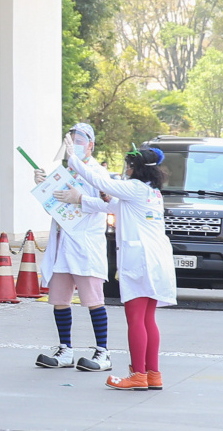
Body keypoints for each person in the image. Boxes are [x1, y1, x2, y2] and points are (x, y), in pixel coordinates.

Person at [55, 140, 177, 391]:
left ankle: (138, 375)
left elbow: (101, 183)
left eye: (128, 165)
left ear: (136, 168)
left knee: (135, 319)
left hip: (140, 261)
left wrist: (73, 160)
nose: (126, 169)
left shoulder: (133, 188)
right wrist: (81, 199)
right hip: (156, 261)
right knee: (147, 319)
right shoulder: (151, 192)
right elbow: (109, 204)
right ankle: (153, 374)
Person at [33, 123, 112, 372]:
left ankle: (103, 352)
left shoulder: (99, 173)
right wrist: (43, 187)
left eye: (81, 140)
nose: (76, 144)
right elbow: (53, 207)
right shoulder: (64, 172)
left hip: (86, 244)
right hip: (62, 243)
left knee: (93, 299)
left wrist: (81, 199)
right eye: (72, 140)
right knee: (59, 299)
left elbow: (108, 205)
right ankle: (65, 348)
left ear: (91, 144)